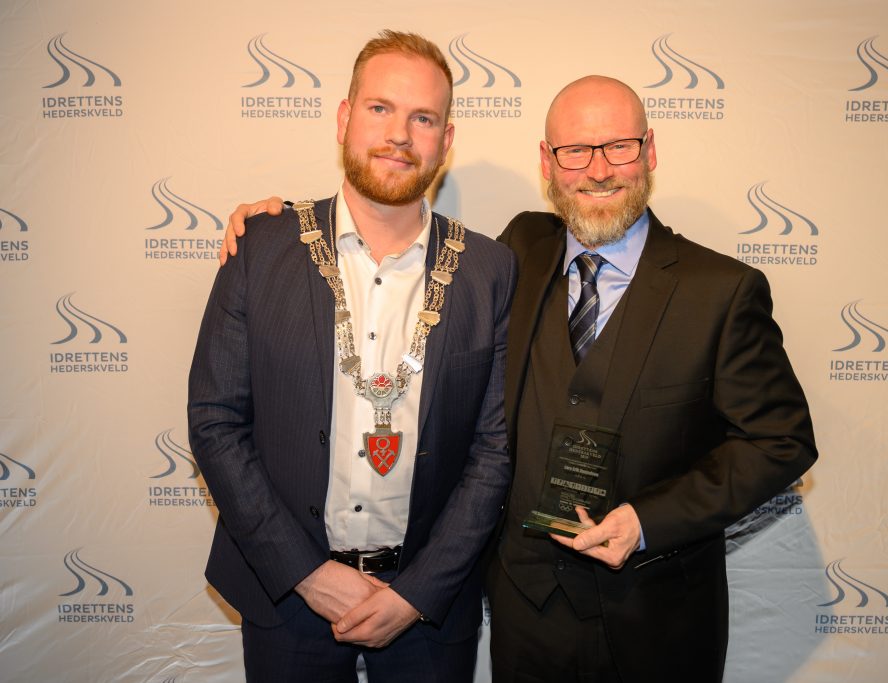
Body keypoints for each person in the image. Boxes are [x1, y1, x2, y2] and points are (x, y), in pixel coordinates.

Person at [223, 76, 816, 683]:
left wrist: (648, 521)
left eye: (620, 146)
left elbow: (782, 441)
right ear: (547, 164)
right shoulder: (517, 251)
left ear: (650, 151)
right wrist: (276, 224)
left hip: (657, 624)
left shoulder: (720, 291)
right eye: (575, 152)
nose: (598, 170)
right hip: (526, 622)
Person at [188, 31, 514, 683]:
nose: (400, 133)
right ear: (343, 118)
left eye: (423, 118)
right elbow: (215, 422)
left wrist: (417, 591)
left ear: (445, 142)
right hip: (287, 595)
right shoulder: (262, 246)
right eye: (380, 109)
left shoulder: (489, 268)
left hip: (429, 607)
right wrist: (305, 574)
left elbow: (495, 449)